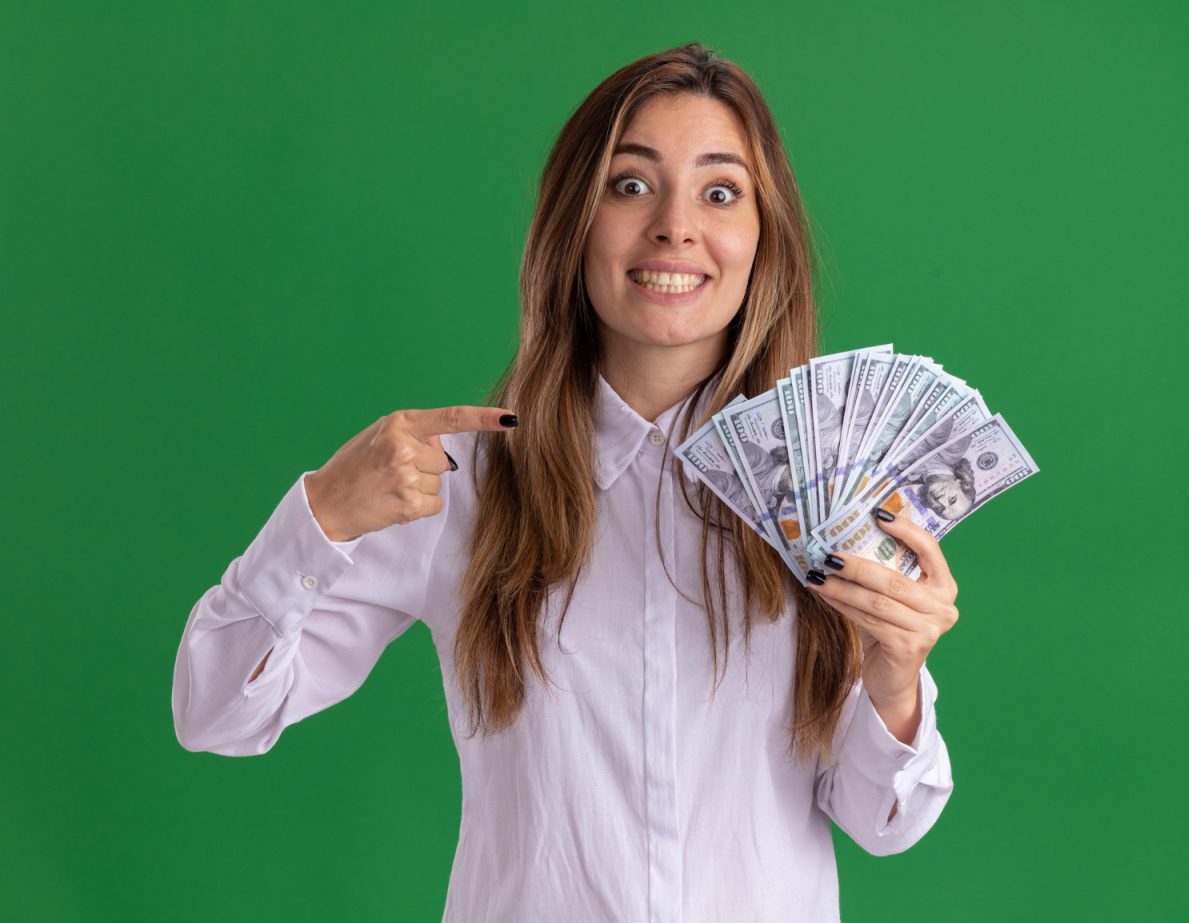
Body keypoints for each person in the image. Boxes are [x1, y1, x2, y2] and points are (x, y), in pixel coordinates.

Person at [172, 42, 960, 922]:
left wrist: (897, 680)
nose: (675, 225)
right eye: (631, 184)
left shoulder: (826, 492)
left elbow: (883, 822)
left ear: (762, 236)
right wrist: (320, 517)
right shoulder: (455, 485)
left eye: (720, 190)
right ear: (573, 224)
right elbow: (213, 713)